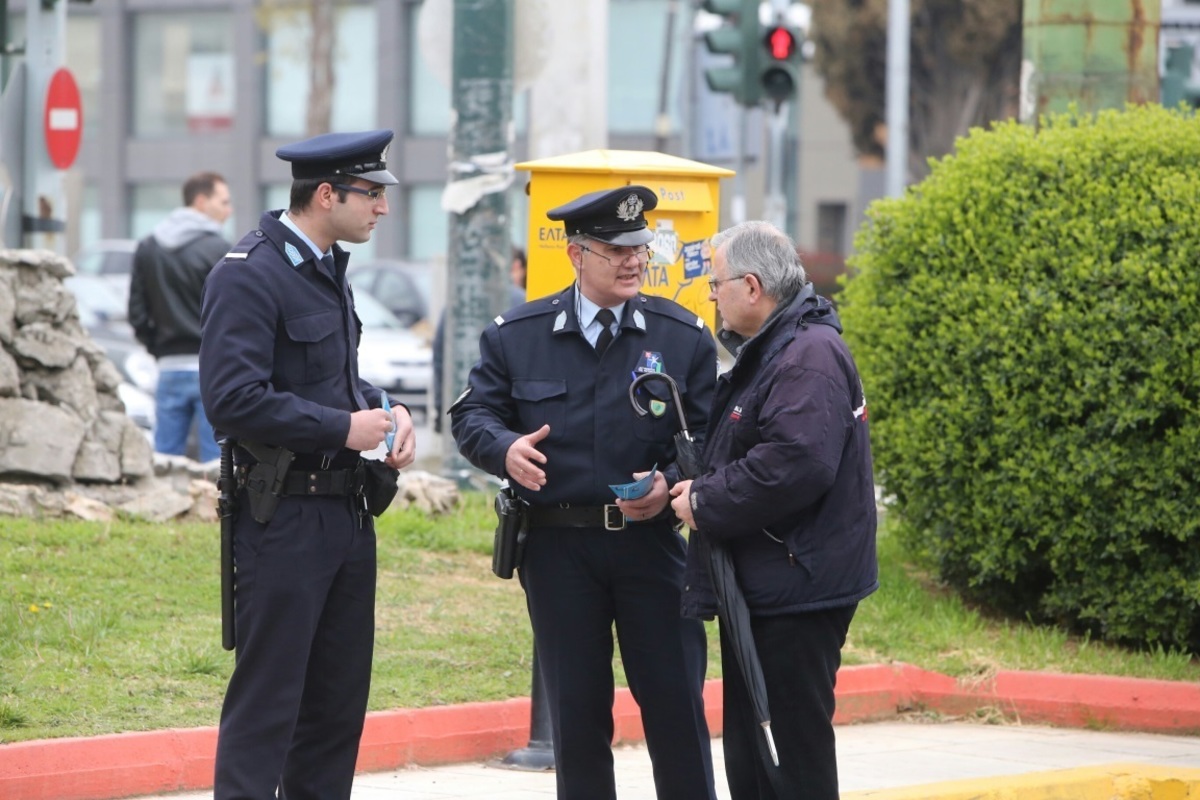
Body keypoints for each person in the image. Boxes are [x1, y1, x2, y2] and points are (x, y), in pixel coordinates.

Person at [451, 186, 719, 800]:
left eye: (639, 248)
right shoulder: (518, 335)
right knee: (576, 719)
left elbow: (710, 436)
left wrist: (670, 483)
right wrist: (504, 448)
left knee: (677, 705)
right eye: (615, 250)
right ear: (576, 254)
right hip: (559, 550)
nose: (633, 261)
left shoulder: (682, 337)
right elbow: (472, 415)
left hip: (653, 547)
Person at [198, 129, 416, 800]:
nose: (382, 207)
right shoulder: (250, 272)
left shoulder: (325, 267)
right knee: (269, 703)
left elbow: (331, 380)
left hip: (345, 514)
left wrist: (386, 410)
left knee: (335, 708)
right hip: (283, 516)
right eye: (371, 193)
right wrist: (342, 428)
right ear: (327, 195)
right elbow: (232, 399)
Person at [668, 221, 878, 800]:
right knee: (757, 756)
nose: (713, 295)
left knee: (789, 756)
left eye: (717, 284)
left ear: (752, 287)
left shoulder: (807, 356)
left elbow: (796, 463)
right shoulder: (780, 347)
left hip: (797, 586)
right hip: (774, 580)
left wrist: (705, 500)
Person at [128, 171, 232, 463]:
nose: (229, 210)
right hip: (213, 370)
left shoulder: (149, 247)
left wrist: (159, 350)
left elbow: (137, 314)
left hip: (168, 368)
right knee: (218, 466)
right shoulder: (220, 250)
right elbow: (234, 313)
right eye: (224, 202)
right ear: (201, 202)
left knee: (164, 463)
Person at [430, 243, 527, 433]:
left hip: (462, 417)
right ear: (516, 267)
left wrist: (440, 410)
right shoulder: (524, 302)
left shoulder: (456, 301)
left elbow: (440, 359)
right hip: (510, 420)